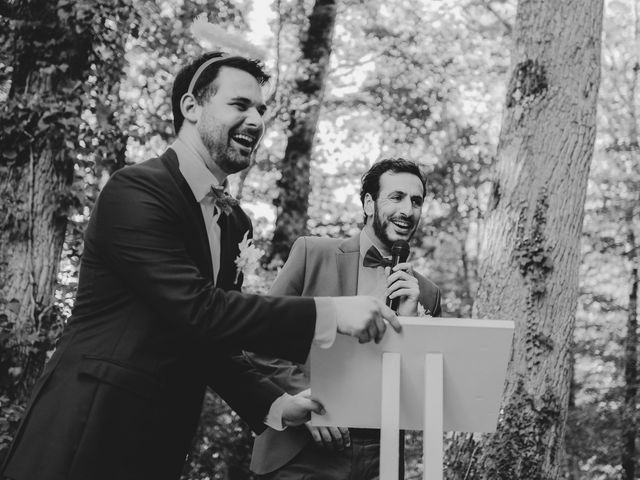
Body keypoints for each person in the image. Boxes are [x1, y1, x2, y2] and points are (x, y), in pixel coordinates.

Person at [0, 52, 400, 480]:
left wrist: (277, 402)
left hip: (160, 446)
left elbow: (209, 339)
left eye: (261, 110)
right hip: (87, 430)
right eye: (239, 105)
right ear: (191, 107)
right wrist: (332, 312)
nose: (256, 120)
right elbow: (198, 309)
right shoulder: (136, 189)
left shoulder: (235, 222)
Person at [246, 158, 442, 480]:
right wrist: (306, 401)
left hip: (383, 455)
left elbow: (423, 392)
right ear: (368, 203)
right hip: (303, 448)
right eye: (397, 197)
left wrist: (410, 327)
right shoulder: (312, 254)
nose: (408, 210)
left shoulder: (427, 294)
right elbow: (258, 338)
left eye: (416, 201)